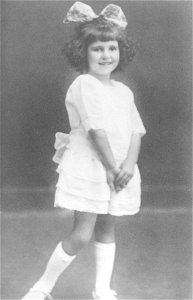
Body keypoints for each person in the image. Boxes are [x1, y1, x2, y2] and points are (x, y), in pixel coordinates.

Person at [21, 2, 146, 300]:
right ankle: (42, 288)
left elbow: (136, 131)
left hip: (119, 170)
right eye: (98, 49)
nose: (106, 55)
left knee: (107, 228)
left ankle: (102, 290)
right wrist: (113, 168)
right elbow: (96, 130)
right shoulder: (84, 84)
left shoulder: (123, 91)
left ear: (121, 51)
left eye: (111, 48)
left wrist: (128, 165)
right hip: (92, 166)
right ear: (83, 52)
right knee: (81, 234)